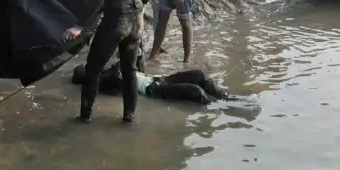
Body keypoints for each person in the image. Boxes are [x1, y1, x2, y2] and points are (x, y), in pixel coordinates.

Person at [71, 63, 230, 105]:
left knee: (199, 75)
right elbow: (119, 85)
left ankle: (228, 99)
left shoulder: (110, 70)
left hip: (159, 78)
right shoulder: (104, 82)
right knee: (194, 90)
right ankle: (217, 106)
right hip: (153, 89)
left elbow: (137, 67)